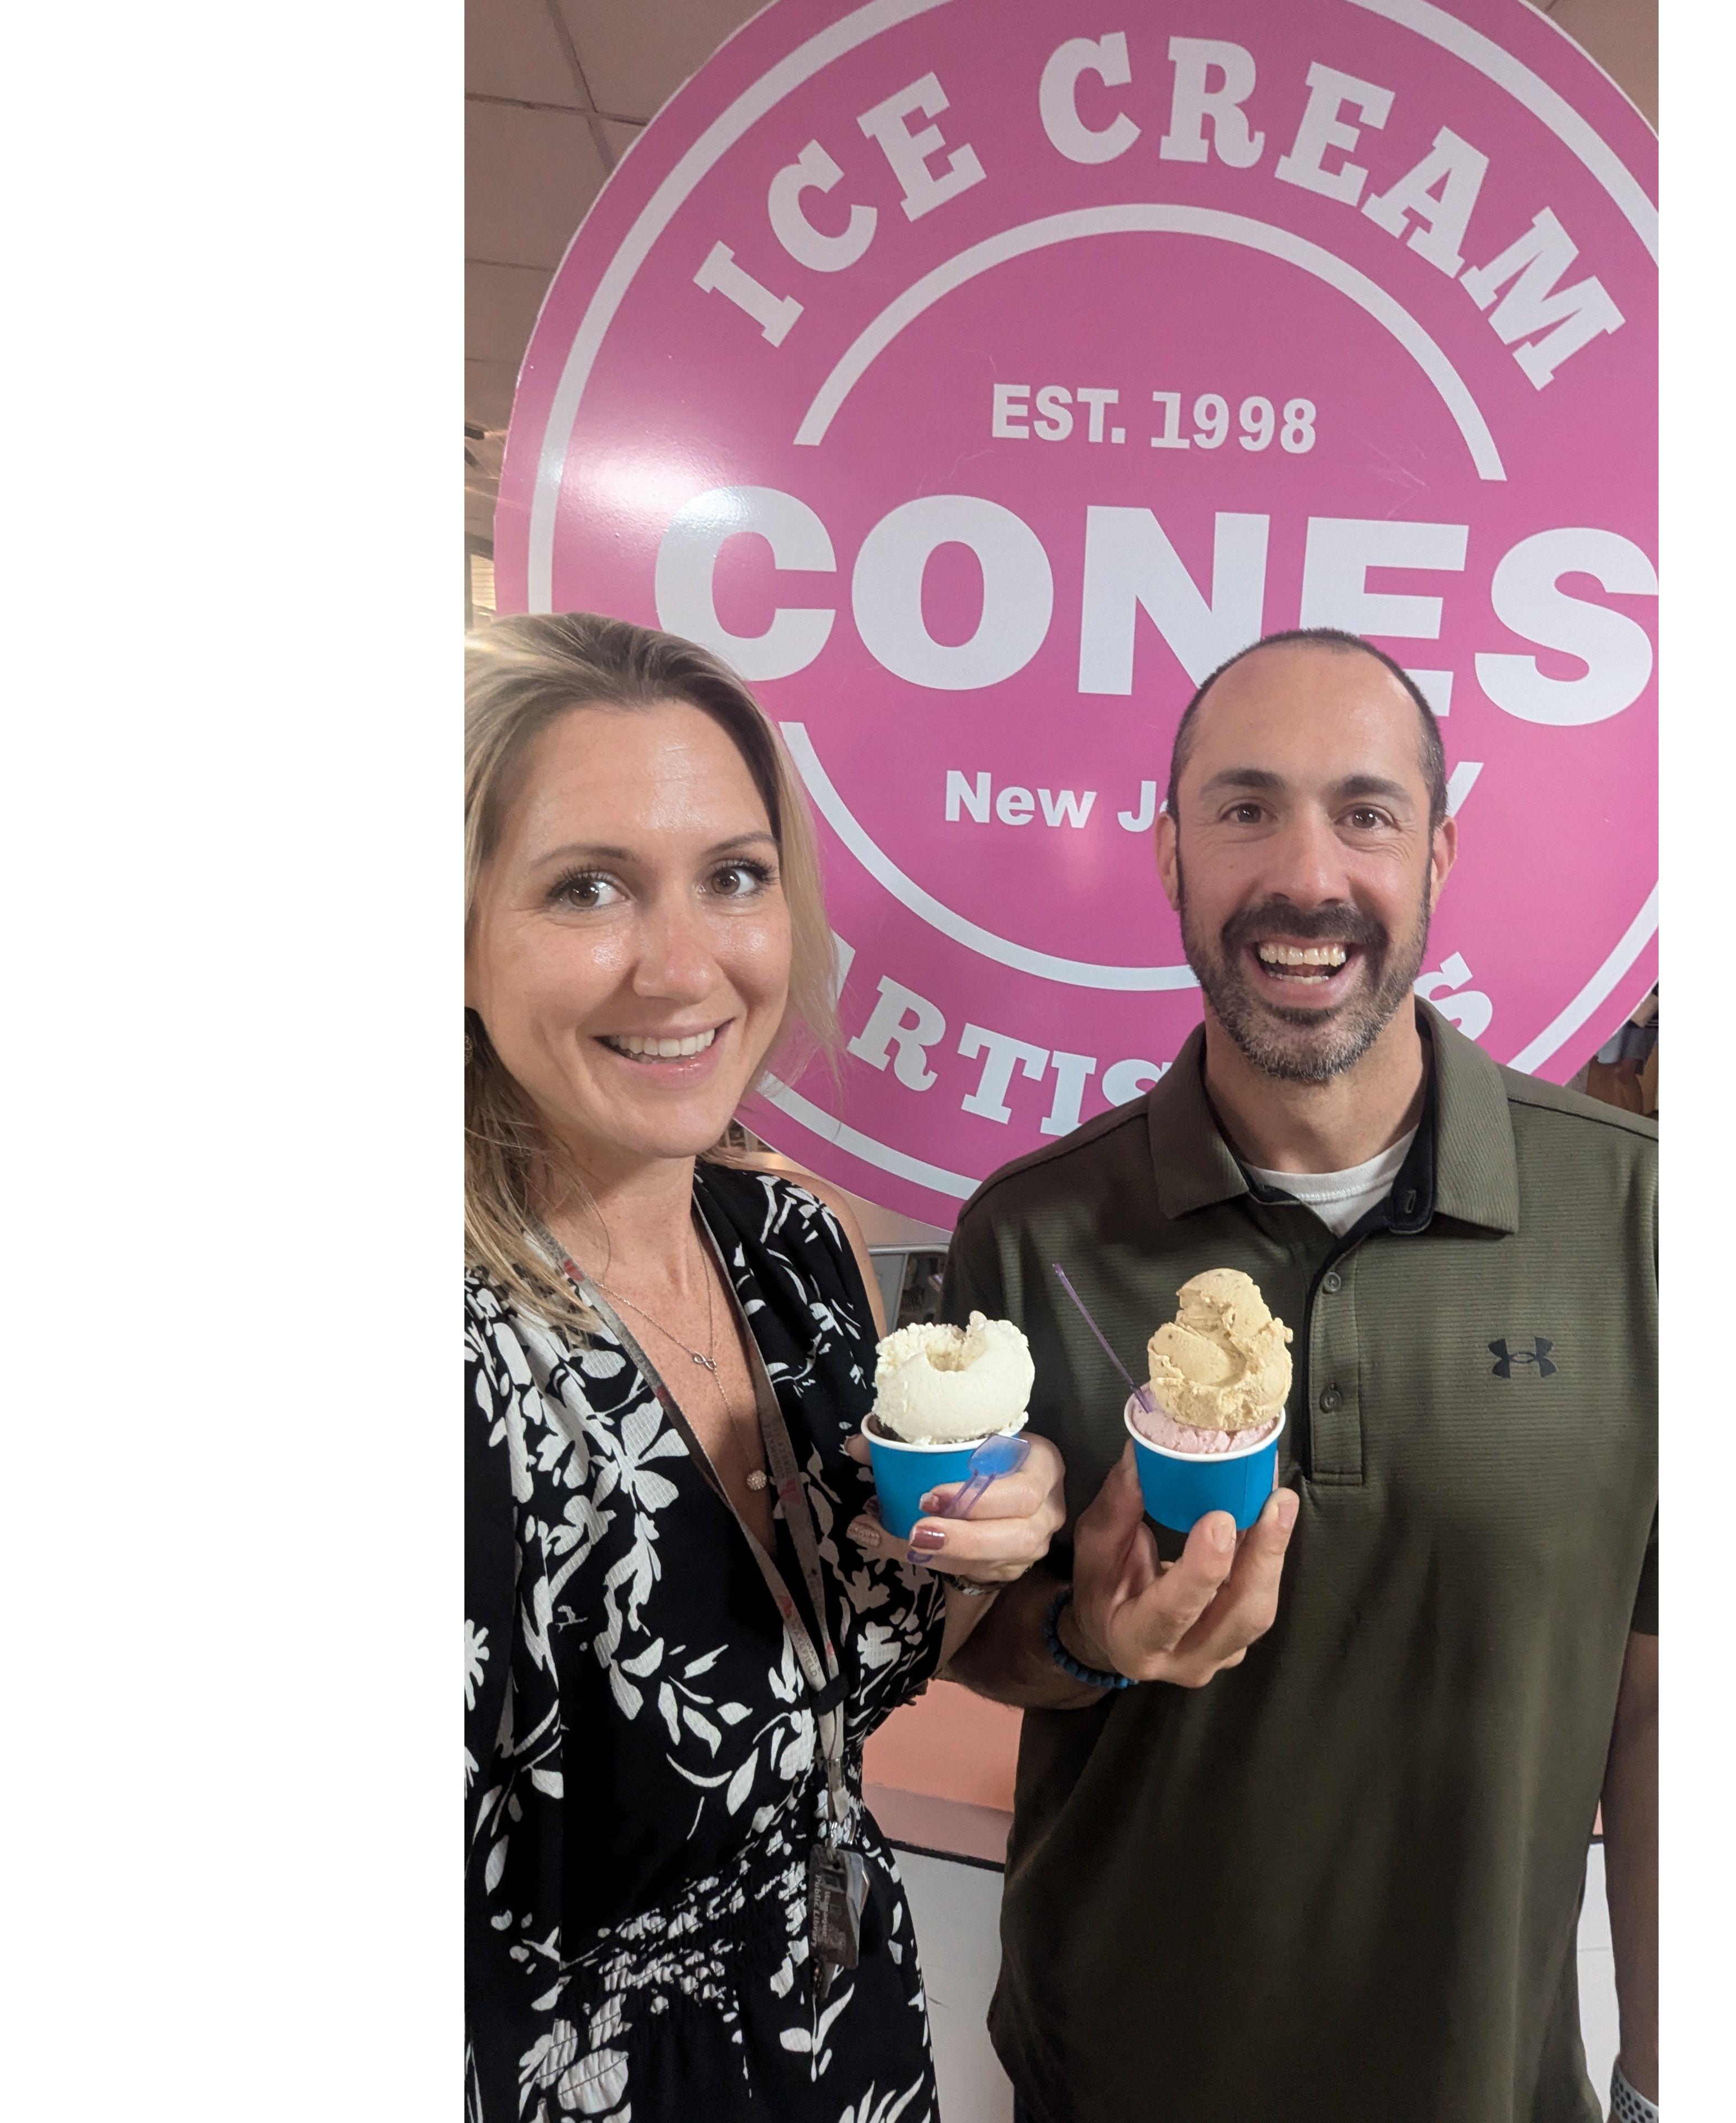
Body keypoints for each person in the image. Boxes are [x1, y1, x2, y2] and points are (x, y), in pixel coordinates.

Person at [944, 628, 1657, 2123]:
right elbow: (974, 1645)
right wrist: (1089, 1633)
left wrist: (1665, 2075)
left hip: (1487, 2083)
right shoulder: (1032, 1230)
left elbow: (1665, 1696)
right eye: (1246, 809)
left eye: (1366, 813)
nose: (1307, 875)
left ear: (1439, 855)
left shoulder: (1640, 1215)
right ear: (1170, 856)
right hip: (1110, 2081)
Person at [463, 612, 1066, 2123]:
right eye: (588, 887)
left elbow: (851, 1677)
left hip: (852, 2053)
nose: (684, 968)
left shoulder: (791, 1243)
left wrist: (1006, 1522)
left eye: (734, 876)